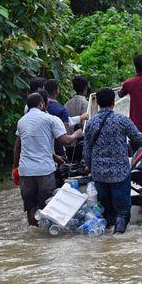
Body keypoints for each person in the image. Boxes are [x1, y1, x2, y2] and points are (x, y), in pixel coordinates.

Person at [83, 88, 142, 234]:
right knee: (123, 210)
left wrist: (90, 167)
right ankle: (118, 237)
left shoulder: (91, 123)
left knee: (106, 208)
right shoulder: (122, 120)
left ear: (97, 103)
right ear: (113, 102)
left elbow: (87, 150)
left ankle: (108, 234)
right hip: (120, 173)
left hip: (99, 174)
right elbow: (138, 138)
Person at [13, 92, 84, 226]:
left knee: (31, 207)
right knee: (47, 206)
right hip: (44, 171)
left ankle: (34, 232)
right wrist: (77, 134)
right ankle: (46, 236)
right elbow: (65, 141)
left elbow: (18, 148)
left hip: (25, 171)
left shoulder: (21, 121)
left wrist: (15, 168)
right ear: (42, 104)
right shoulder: (51, 119)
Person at [44, 79, 69, 156]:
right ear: (57, 91)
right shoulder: (61, 109)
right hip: (57, 148)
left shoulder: (35, 107)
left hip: (40, 148)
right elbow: (63, 133)